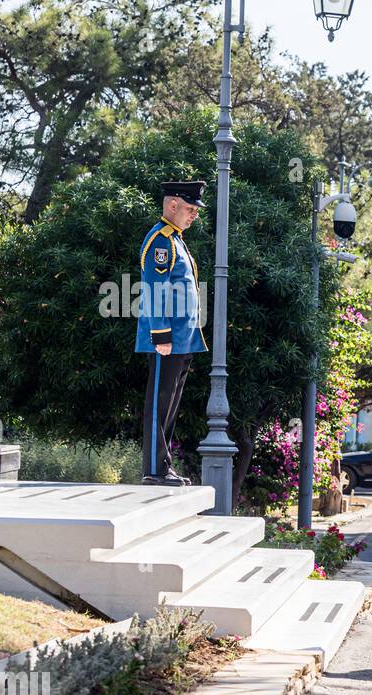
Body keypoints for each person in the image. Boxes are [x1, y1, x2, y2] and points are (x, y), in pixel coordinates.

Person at [137, 181, 207, 486]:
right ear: (172, 205)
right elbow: (154, 289)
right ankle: (154, 469)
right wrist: (161, 335)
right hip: (167, 338)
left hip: (183, 337)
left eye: (195, 210)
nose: (194, 215)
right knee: (159, 403)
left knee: (170, 405)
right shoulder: (162, 241)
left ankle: (163, 465)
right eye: (190, 209)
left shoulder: (176, 240)